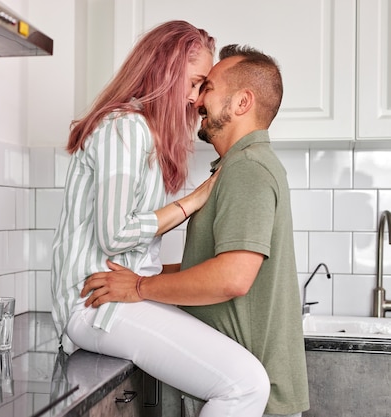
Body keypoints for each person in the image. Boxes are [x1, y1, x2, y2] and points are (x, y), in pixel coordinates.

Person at [51, 21, 270, 417]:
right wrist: (192, 201)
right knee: (246, 384)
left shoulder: (143, 134)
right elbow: (114, 233)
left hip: (114, 300)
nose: (193, 100)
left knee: (241, 377)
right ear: (162, 74)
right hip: (95, 303)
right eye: (193, 83)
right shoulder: (124, 127)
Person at [82, 44, 310, 417]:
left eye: (209, 87)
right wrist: (138, 276)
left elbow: (231, 278)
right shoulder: (238, 166)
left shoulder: (247, 168)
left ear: (241, 103)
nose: (197, 100)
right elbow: (209, 265)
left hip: (256, 402)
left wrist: (140, 288)